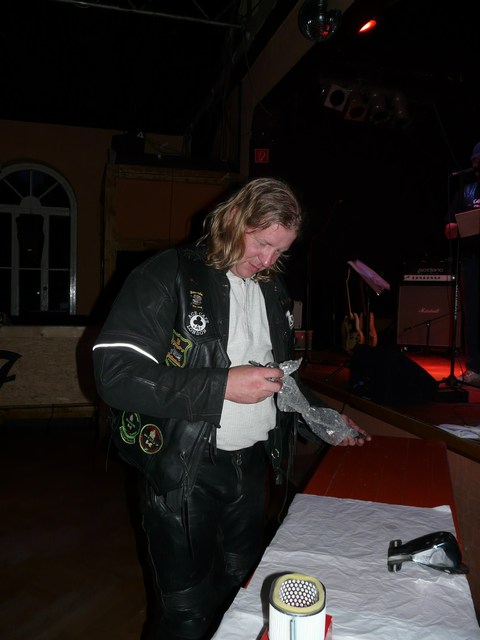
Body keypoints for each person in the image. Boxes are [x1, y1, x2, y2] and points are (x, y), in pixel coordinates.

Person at [92, 177, 371, 640]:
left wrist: (320, 418)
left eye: (280, 251)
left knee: (240, 599)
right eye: (262, 244)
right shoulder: (167, 273)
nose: (268, 261)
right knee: (185, 615)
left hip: (251, 471)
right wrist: (221, 385)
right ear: (235, 219)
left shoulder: (271, 289)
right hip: (184, 473)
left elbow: (279, 378)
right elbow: (115, 375)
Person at [445, 142, 480, 387]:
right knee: (472, 316)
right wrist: (458, 227)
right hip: (472, 262)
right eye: (476, 161)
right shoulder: (465, 192)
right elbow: (448, 229)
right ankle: (475, 368)